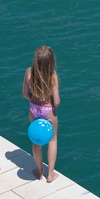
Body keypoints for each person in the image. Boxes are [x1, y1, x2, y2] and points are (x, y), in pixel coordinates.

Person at [22, 45, 60, 182]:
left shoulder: (28, 72)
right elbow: (56, 101)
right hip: (48, 111)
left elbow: (25, 94)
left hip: (34, 109)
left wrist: (34, 98)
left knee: (36, 142)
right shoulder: (53, 76)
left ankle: (38, 172)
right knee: (52, 140)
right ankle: (50, 174)